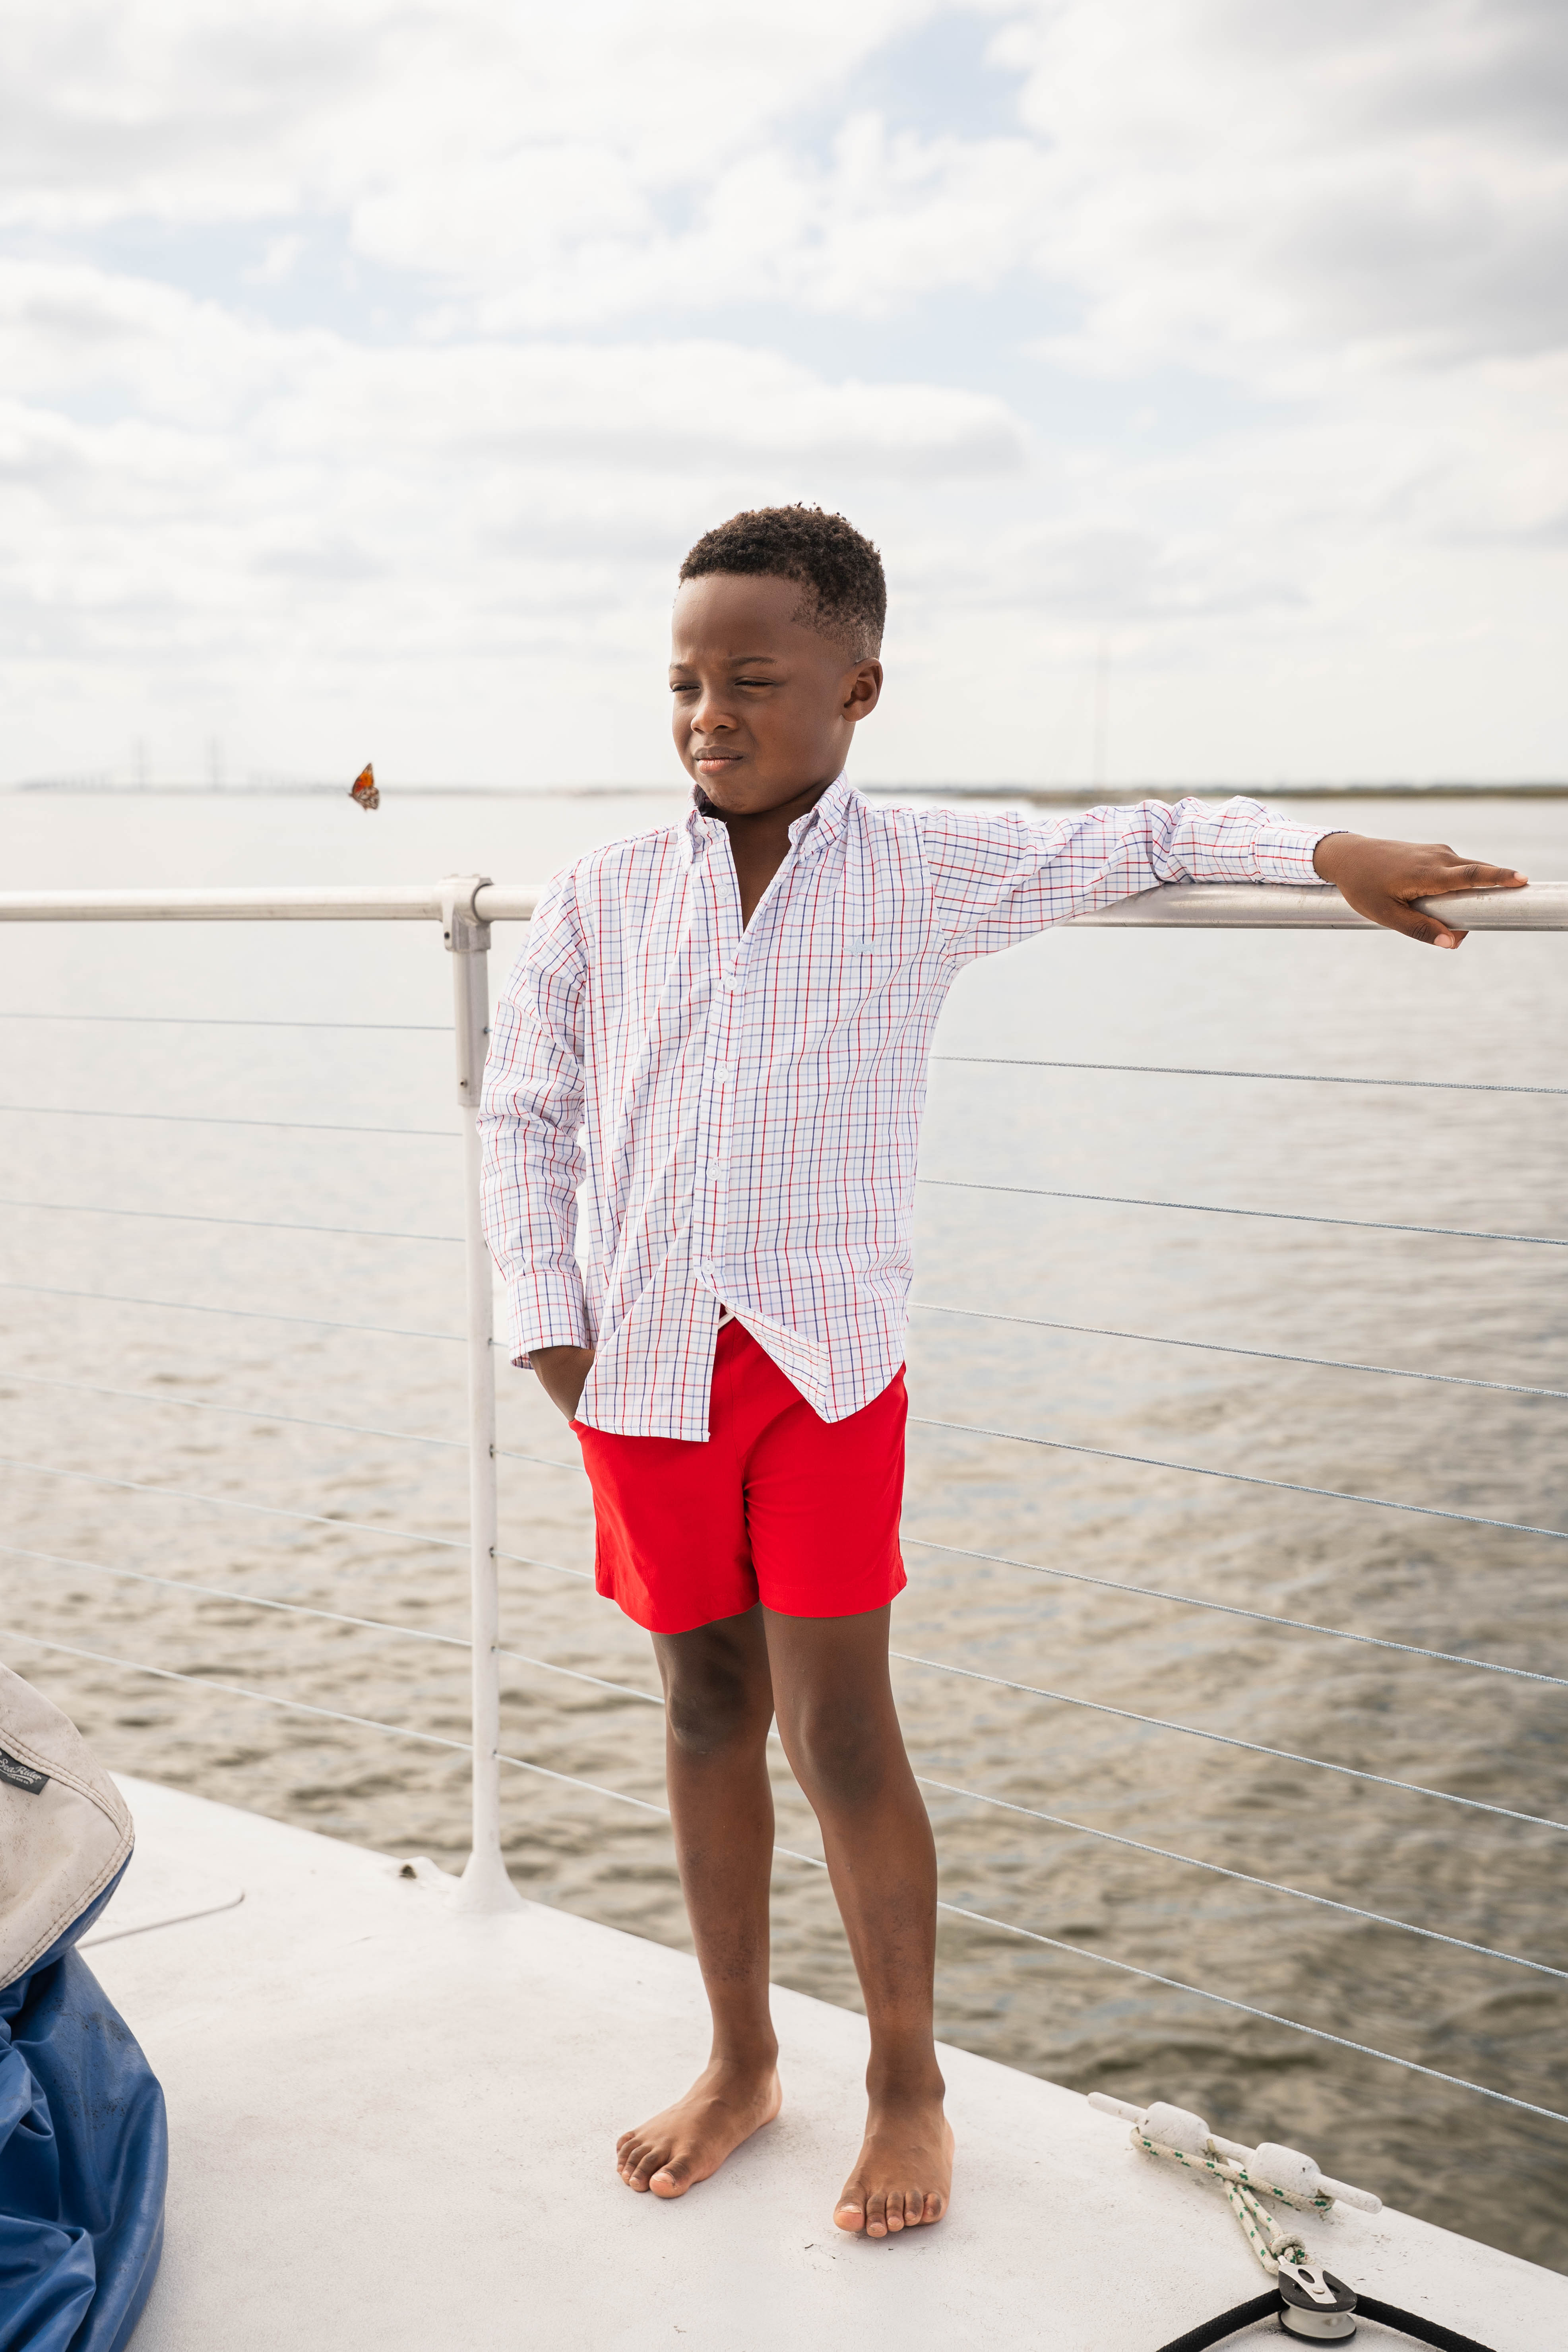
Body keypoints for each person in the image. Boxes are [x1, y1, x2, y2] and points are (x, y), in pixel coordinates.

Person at [477, 504, 1525, 2241]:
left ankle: (908, 2079)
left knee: (842, 1728)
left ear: (859, 688)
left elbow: (1162, 829)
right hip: (636, 1371)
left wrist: (1332, 848)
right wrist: (548, 1320)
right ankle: (741, 2057)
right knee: (702, 1706)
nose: (709, 715)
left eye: (752, 679)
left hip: (822, 1373)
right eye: (683, 683)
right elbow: (526, 1110)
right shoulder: (598, 892)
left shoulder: (927, 868)